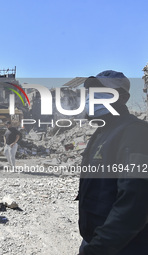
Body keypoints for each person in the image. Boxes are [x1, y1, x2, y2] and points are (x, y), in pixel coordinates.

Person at [78, 70, 148, 255]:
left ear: (122, 97)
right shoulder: (101, 133)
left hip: (123, 247)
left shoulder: (136, 133)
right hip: (95, 240)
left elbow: (134, 204)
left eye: (100, 91)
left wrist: (96, 249)